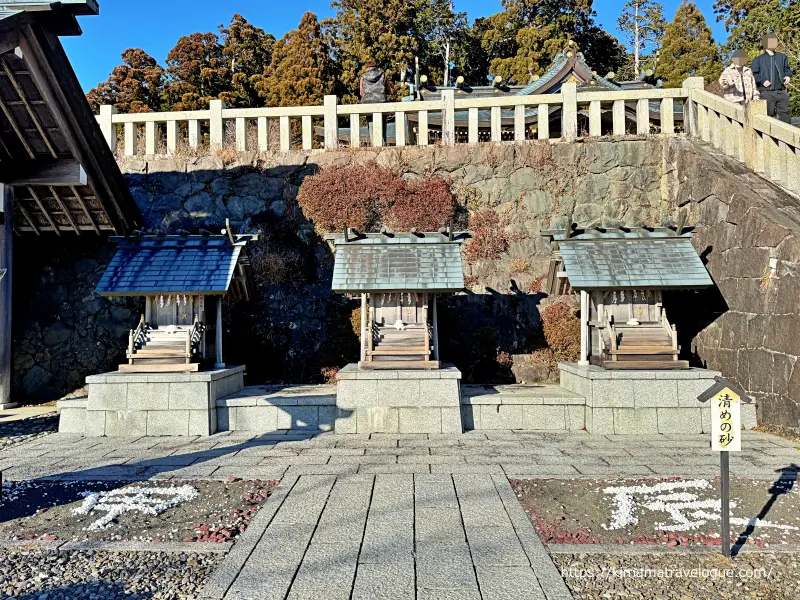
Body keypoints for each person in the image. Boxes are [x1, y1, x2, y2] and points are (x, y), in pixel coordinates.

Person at [751, 33, 793, 123]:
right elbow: (754, 75)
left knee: (785, 115)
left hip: (781, 91)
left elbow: (787, 70)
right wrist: (762, 81)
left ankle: (785, 136)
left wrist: (788, 76)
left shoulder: (782, 57)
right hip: (766, 92)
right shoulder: (758, 60)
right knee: (768, 115)